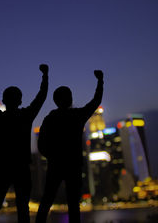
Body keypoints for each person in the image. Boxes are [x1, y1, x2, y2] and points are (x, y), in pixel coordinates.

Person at [0, 65, 48, 223]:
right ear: (20, 100)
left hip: (3, 166)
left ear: (3, 101)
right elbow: (41, 97)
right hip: (22, 166)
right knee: (23, 208)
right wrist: (45, 75)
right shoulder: (26, 115)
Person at [36, 70, 104, 223]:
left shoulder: (50, 118)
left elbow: (41, 144)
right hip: (73, 165)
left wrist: (52, 156)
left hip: (55, 165)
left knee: (47, 200)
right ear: (70, 99)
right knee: (74, 204)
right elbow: (96, 100)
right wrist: (100, 80)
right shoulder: (77, 116)